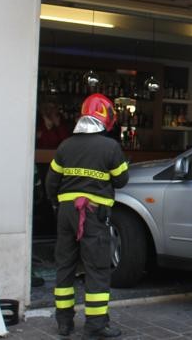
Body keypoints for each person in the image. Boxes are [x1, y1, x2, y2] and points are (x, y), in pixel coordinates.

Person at [46, 93, 129, 339]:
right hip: (94, 215)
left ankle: (64, 323)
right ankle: (95, 325)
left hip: (65, 214)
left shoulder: (65, 145)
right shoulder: (110, 147)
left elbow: (52, 183)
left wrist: (59, 206)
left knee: (65, 267)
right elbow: (122, 180)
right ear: (106, 117)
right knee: (97, 268)